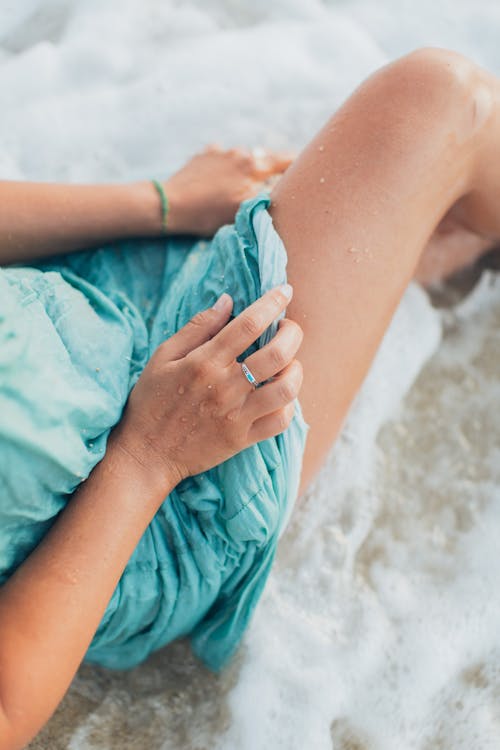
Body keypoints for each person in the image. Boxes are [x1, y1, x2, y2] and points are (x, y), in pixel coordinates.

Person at [0, 46, 498, 748]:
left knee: (397, 188)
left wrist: (160, 203)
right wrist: (150, 454)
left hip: (68, 298)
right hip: (133, 509)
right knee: (445, 104)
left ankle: (433, 259)